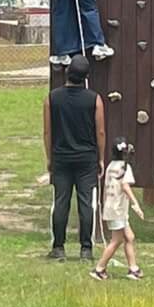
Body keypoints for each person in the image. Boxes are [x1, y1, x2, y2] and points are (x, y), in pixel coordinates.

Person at [44, 54, 105, 262]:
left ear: (68, 73)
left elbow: (47, 131)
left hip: (61, 156)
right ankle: (86, 249)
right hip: (87, 158)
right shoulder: (94, 99)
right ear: (86, 76)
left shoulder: (52, 98)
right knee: (86, 202)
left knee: (61, 201)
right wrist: (101, 158)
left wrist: (49, 158)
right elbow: (100, 132)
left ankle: (58, 247)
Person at [90, 136, 144, 281]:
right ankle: (99, 269)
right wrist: (135, 203)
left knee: (129, 237)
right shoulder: (125, 168)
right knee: (116, 241)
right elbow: (125, 186)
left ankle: (133, 268)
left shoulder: (110, 166)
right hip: (118, 210)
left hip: (112, 208)